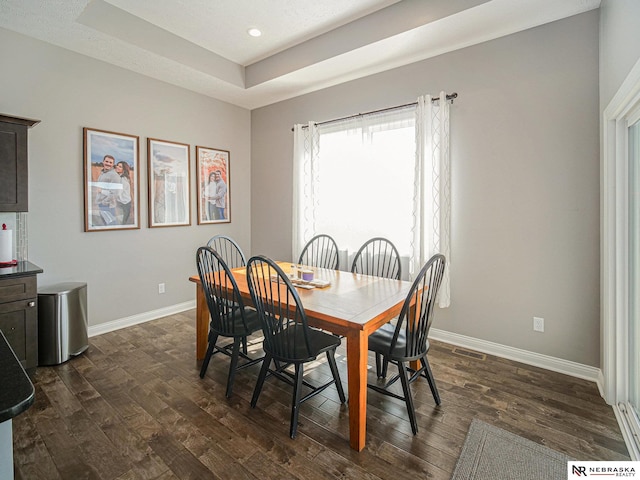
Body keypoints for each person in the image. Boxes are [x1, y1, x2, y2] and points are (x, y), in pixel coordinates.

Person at [94, 155, 122, 225]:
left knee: (111, 225)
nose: (108, 164)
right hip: (101, 204)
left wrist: (104, 202)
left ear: (113, 164)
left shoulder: (114, 176)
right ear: (103, 162)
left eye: (110, 162)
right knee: (105, 224)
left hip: (107, 206)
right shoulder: (103, 173)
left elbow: (115, 193)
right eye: (106, 161)